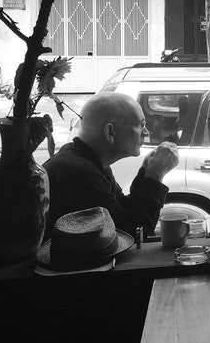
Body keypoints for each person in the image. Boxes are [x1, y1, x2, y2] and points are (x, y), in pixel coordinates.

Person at [45, 91, 179, 238]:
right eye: (141, 125)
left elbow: (124, 209)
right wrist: (155, 174)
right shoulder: (79, 174)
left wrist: (145, 171)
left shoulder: (90, 161)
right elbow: (131, 234)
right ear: (110, 132)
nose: (146, 132)